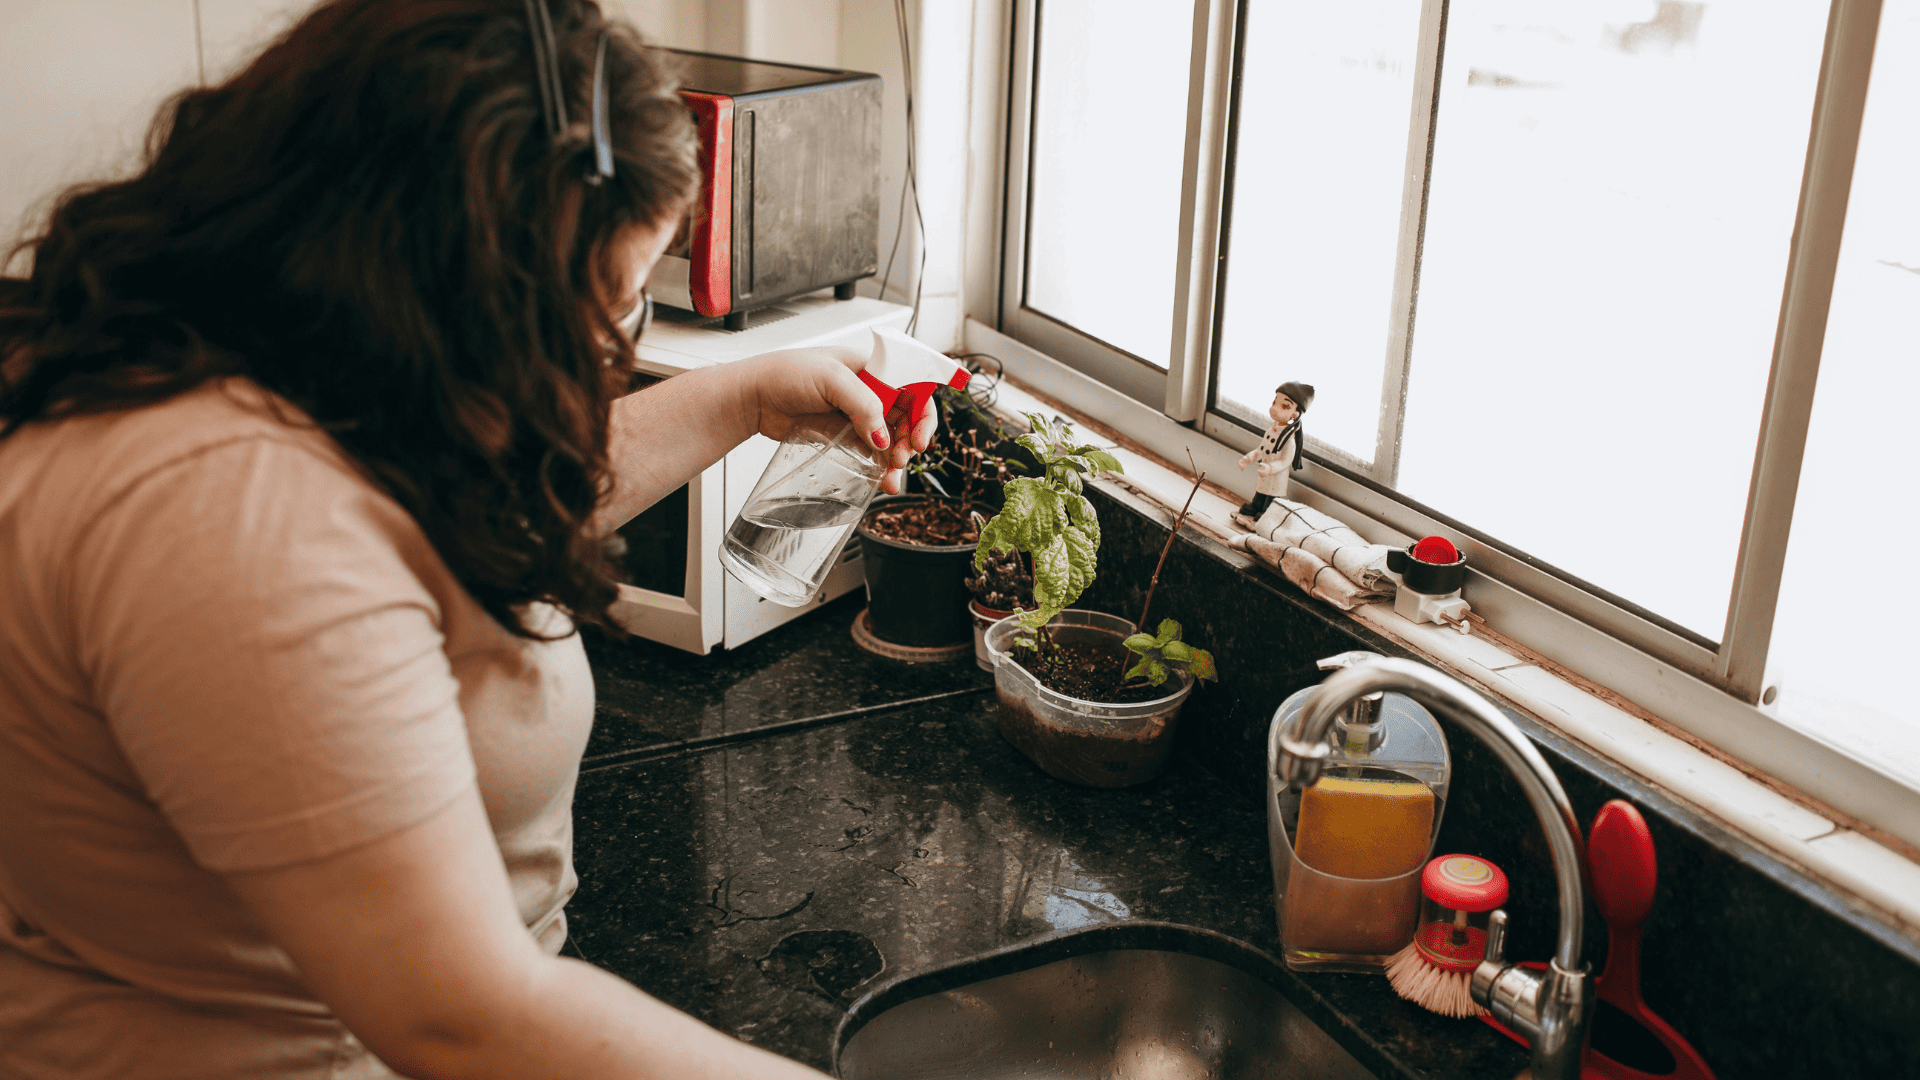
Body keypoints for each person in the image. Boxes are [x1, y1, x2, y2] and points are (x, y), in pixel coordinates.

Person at [0, 2, 930, 1077]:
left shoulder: (263, 364)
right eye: (604, 313)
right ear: (440, 286)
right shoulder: (230, 520)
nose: (607, 356)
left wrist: (742, 397)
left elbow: (444, 522)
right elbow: (460, 1014)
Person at [1235, 381, 1314, 519]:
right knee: (1260, 492)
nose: (1275, 408)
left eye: (1284, 406)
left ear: (1294, 414)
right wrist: (1248, 459)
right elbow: (1260, 450)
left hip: (1276, 477)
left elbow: (1285, 461)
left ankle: (1267, 512)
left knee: (1271, 498)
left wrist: (1270, 468)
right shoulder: (1270, 432)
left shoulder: (1289, 441)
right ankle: (1256, 506)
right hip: (1264, 474)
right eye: (1275, 402)